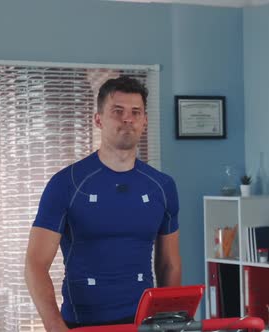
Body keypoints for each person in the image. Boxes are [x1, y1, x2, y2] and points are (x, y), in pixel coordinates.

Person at [24, 76, 181, 331]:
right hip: (81, 324)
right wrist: (54, 326)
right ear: (98, 119)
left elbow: (169, 263)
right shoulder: (67, 183)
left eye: (135, 112)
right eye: (117, 111)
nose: (127, 119)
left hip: (143, 323)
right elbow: (35, 264)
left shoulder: (162, 186)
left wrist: (170, 321)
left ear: (145, 120)